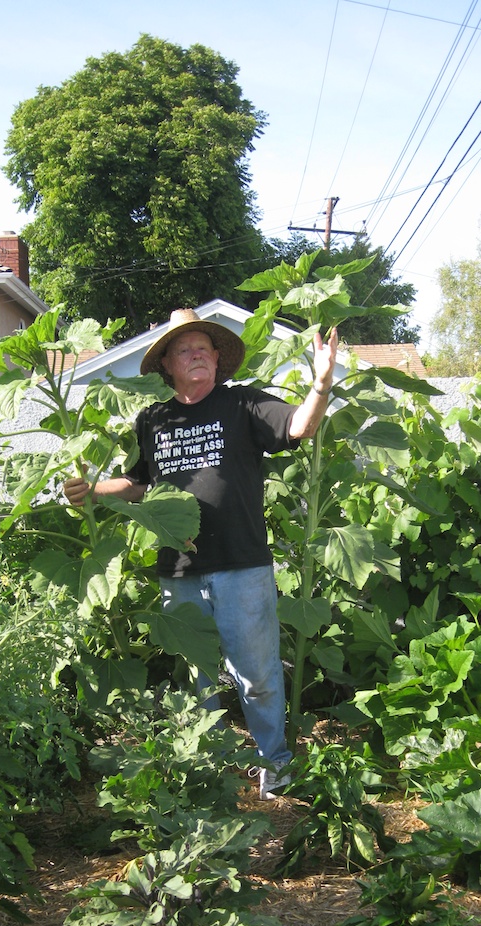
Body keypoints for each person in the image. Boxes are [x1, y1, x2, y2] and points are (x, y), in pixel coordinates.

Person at [64, 308, 338, 800]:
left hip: (241, 564)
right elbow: (140, 481)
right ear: (166, 363)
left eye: (204, 348)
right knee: (200, 679)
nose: (197, 355)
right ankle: (209, 771)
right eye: (185, 349)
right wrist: (93, 491)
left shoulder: (244, 406)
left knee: (257, 676)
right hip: (180, 569)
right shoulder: (153, 418)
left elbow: (298, 428)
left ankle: (273, 765)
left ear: (217, 359)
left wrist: (320, 384)